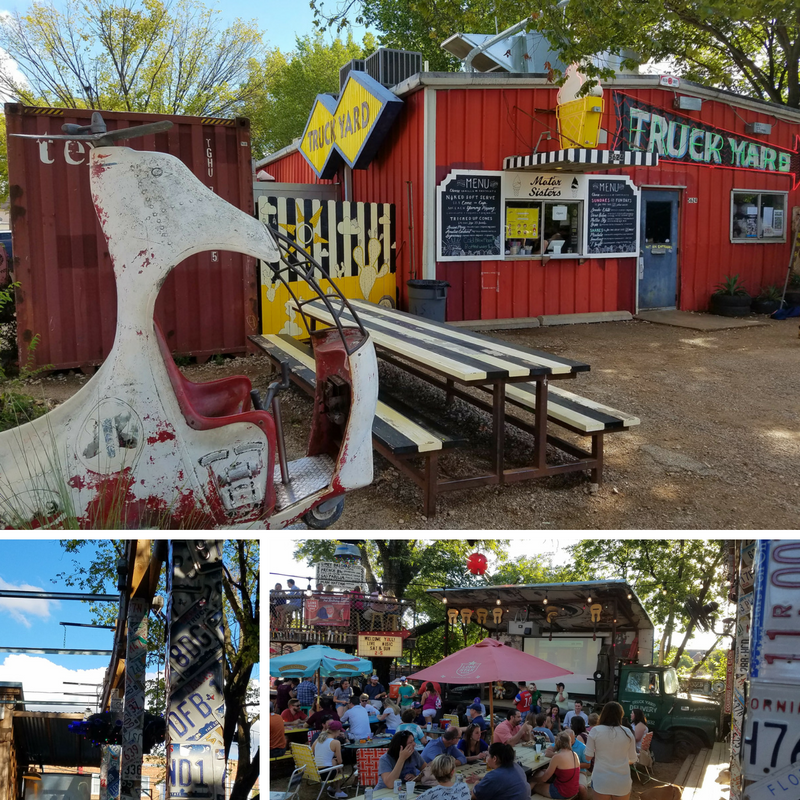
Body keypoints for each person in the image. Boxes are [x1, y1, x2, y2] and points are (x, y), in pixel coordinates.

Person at [584, 701, 638, 800]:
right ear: (620, 715)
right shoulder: (627, 732)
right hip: (622, 781)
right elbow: (633, 759)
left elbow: (588, 757)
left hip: (601, 780)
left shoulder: (595, 731)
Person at [465, 742, 530, 800]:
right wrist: (480, 778)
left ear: (494, 758)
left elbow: (474, 797)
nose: (486, 758)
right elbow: (502, 779)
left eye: (488, 755)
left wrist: (476, 783)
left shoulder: (494, 776)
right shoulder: (516, 766)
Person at [532, 731, 582, 800]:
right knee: (542, 774)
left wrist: (533, 779)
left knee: (534, 786)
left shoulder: (557, 757)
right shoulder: (575, 754)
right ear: (569, 742)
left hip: (562, 792)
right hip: (574, 790)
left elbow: (544, 779)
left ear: (557, 744)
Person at [312, 722, 347, 799]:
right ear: (337, 731)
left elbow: (312, 753)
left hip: (315, 772)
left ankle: (331, 787)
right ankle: (338, 790)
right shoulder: (336, 742)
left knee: (332, 762)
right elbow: (340, 761)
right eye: (340, 731)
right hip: (326, 774)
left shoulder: (318, 739)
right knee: (337, 763)